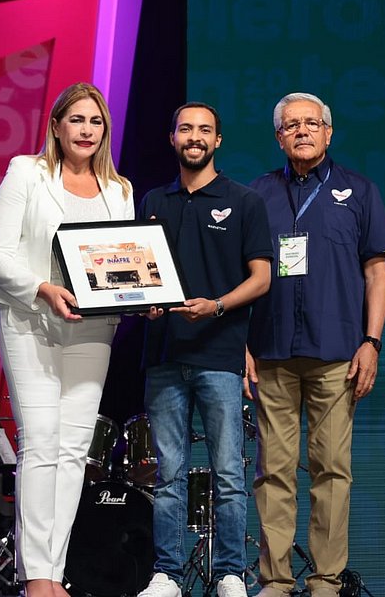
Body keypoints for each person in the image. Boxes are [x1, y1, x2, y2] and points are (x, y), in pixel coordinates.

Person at [0, 82, 134, 597]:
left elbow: (124, 262)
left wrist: (143, 293)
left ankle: (55, 570)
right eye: (77, 120)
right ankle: (35, 577)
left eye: (96, 121)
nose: (87, 130)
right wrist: (43, 289)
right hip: (31, 321)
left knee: (73, 451)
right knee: (41, 442)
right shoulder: (26, 172)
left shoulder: (119, 190)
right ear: (56, 126)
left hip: (93, 329)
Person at [246, 92, 385, 597]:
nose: (303, 131)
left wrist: (372, 341)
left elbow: (376, 274)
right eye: (292, 125)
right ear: (279, 137)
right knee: (273, 472)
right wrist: (241, 345)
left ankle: (326, 582)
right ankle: (275, 580)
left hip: (338, 353)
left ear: (329, 133)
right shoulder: (257, 194)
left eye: (312, 123)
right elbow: (241, 276)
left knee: (332, 470)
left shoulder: (359, 191)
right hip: (271, 351)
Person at [136, 102, 272, 597]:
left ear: (218, 141)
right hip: (164, 355)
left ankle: (230, 573)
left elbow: (263, 277)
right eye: (185, 128)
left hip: (219, 354)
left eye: (205, 130)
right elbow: (138, 272)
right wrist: (146, 304)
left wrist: (216, 306)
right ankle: (168, 575)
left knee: (229, 473)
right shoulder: (153, 199)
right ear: (172, 138)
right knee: (168, 474)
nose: (194, 137)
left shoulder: (244, 201)